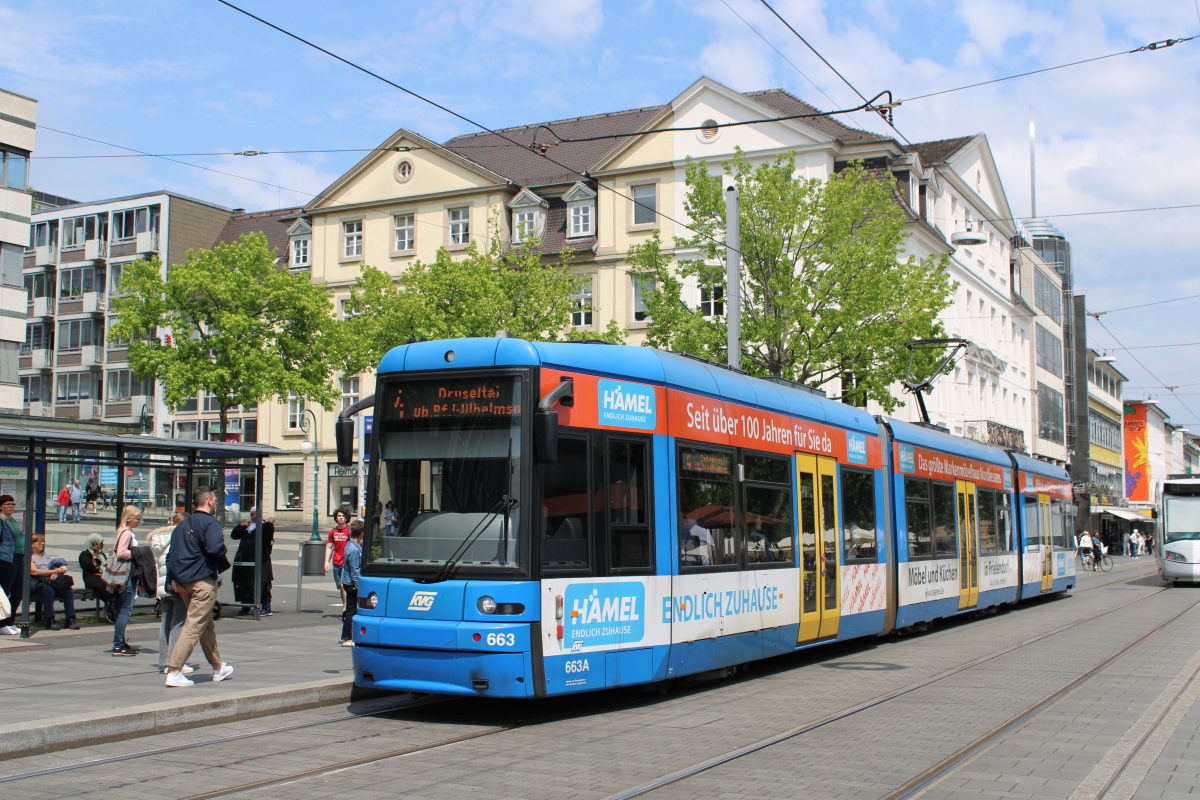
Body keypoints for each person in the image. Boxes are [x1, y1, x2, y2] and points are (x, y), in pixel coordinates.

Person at [164, 486, 234, 688]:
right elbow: (215, 548)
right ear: (210, 501)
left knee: (206, 624)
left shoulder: (182, 525)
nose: (217, 503)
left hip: (184, 583)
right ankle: (175, 671)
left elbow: (171, 556)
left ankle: (218, 667)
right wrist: (223, 549)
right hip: (203, 582)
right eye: (215, 499)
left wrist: (175, 581)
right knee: (194, 626)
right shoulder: (211, 523)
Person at [149, 512, 194, 676]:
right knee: (179, 622)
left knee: (165, 622)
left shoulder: (159, 538)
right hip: (176, 583)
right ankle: (175, 661)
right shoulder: (180, 536)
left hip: (162, 585)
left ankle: (164, 660)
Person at [109, 505, 143, 656]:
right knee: (125, 609)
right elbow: (122, 552)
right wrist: (136, 553)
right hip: (126, 574)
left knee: (122, 608)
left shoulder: (121, 531)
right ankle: (118, 644)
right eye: (137, 519)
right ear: (129, 519)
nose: (139, 521)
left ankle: (120, 641)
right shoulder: (127, 533)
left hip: (122, 574)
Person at [28, 533, 79, 630]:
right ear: (32, 544)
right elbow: (34, 572)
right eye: (40, 542)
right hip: (38, 582)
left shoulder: (46, 556)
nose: (42, 544)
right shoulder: (30, 557)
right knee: (49, 591)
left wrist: (56, 572)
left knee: (68, 591)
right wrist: (53, 571)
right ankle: (50, 619)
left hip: (50, 581)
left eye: (43, 541)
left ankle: (70, 618)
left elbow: (53, 566)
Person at [231, 507, 274, 616]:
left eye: (257, 514)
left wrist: (270, 524)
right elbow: (234, 536)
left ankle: (266, 607)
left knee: (262, 583)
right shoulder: (247, 526)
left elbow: (267, 537)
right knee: (244, 584)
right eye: (253, 514)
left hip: (260, 560)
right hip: (245, 560)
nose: (254, 516)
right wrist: (240, 526)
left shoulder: (264, 526)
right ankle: (245, 606)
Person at [1, 495, 25, 635]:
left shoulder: (12, 520)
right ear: (1, 506)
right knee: (4, 592)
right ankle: (1, 624)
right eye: (8, 504)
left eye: (12, 504)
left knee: (18, 592)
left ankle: (10, 621)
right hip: (6, 560)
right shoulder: (1, 521)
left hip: (18, 557)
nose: (11, 506)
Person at [78, 532, 116, 618]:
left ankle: (114, 605)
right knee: (106, 585)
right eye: (101, 542)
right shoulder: (84, 555)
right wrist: (95, 555)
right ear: (94, 543)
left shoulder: (101, 554)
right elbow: (92, 568)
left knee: (116, 584)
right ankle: (109, 606)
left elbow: (106, 565)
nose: (103, 544)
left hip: (102, 576)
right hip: (92, 578)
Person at [339, 520, 363, 647]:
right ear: (362, 534)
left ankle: (349, 635)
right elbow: (355, 570)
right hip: (352, 583)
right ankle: (348, 636)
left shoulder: (351, 545)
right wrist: (358, 586)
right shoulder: (354, 549)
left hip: (349, 581)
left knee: (351, 609)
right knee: (351, 610)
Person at [324, 506, 352, 609]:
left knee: (344, 585)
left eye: (343, 516)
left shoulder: (350, 531)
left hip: (347, 562)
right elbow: (329, 546)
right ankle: (346, 606)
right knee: (340, 586)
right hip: (336, 562)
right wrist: (326, 561)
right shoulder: (333, 532)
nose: (340, 518)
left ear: (346, 518)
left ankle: (346, 608)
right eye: (338, 516)